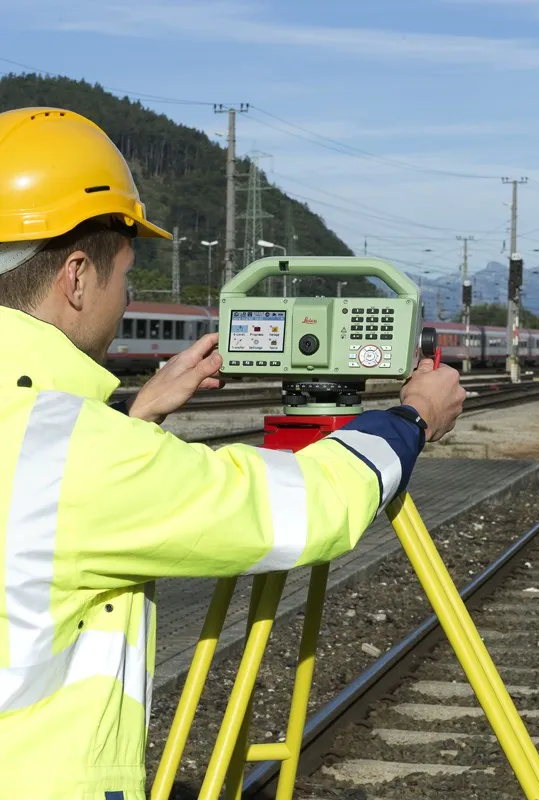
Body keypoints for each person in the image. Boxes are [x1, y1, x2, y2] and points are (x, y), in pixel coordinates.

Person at [0, 107, 465, 799]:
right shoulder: (79, 455)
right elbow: (310, 510)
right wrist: (413, 417)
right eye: (124, 278)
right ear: (75, 277)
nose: (126, 300)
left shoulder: (64, 443)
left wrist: (135, 416)